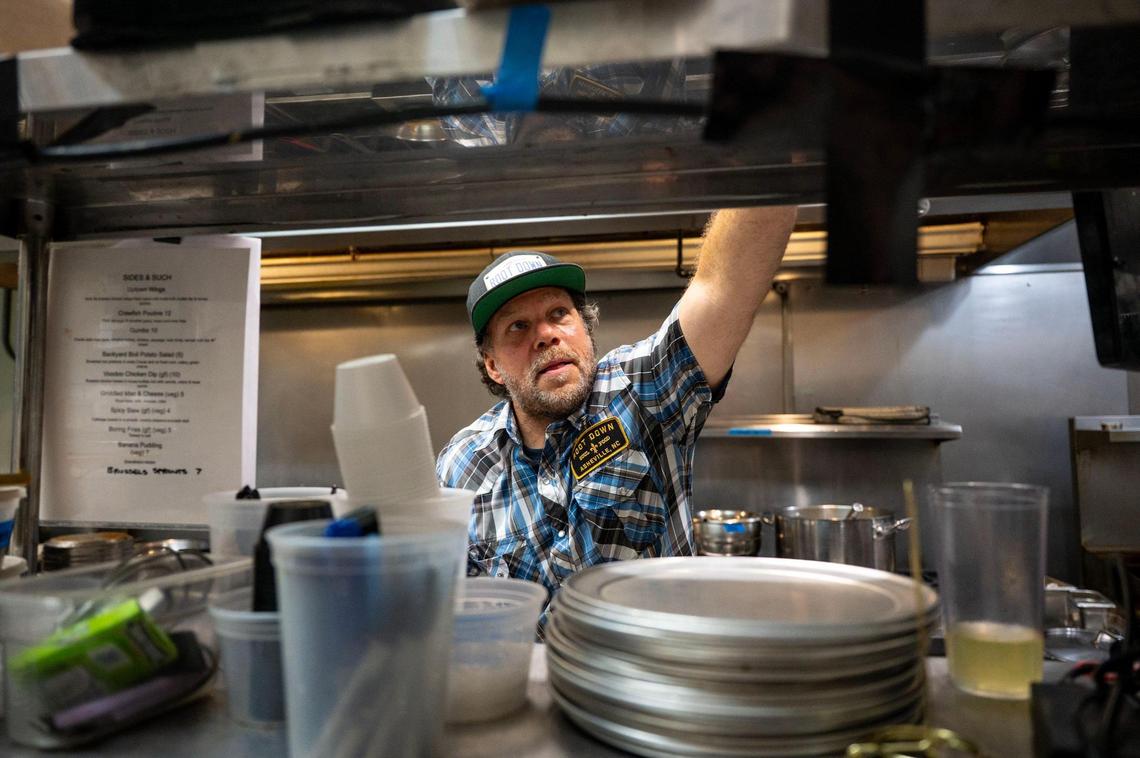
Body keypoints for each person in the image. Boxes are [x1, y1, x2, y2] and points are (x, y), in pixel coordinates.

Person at [436, 207, 796, 601]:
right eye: (517, 326)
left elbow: (721, 288)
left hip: (647, 661)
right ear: (493, 367)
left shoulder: (642, 390)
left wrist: (767, 157)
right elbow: (444, 601)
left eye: (559, 313)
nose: (546, 335)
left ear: (586, 330)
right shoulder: (462, 466)